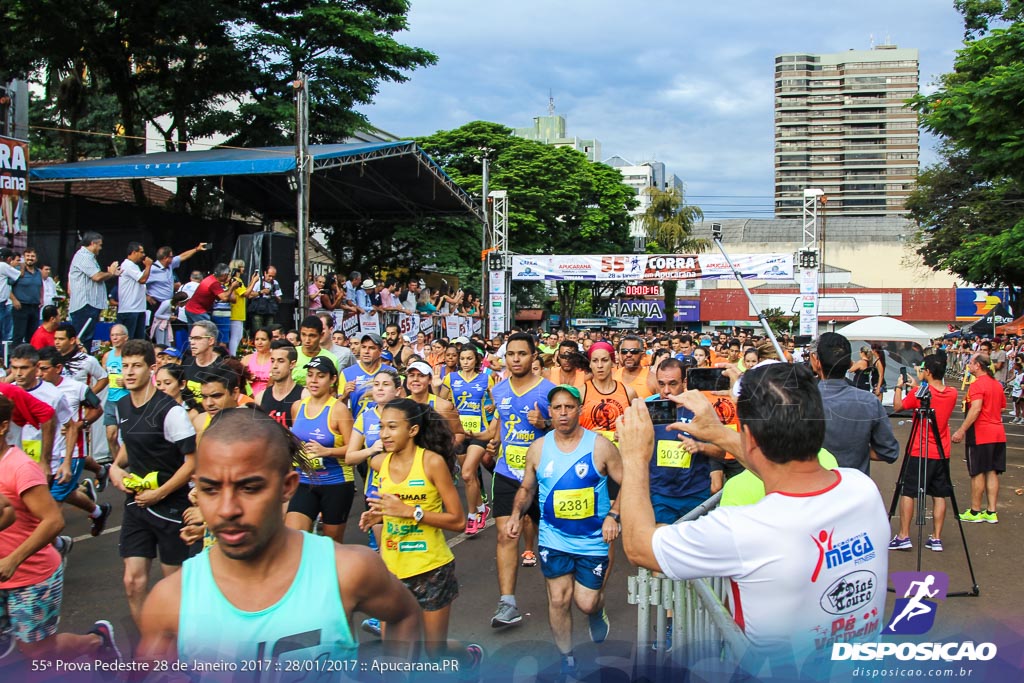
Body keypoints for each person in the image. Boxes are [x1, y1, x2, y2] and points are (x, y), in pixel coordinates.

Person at [618, 363, 890, 674]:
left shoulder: (743, 529)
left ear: (749, 436)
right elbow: (781, 468)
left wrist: (634, 457)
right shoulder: (861, 488)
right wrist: (719, 434)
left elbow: (640, 546)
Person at [137, 407, 423, 667]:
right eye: (211, 490)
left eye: (249, 488)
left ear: (288, 487)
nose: (227, 510)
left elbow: (404, 615)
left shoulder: (347, 571)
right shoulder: (171, 601)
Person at [507, 385, 622, 680]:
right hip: (553, 538)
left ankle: (598, 609)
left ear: (579, 409)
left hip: (592, 539)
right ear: (550, 411)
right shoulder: (539, 448)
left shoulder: (600, 446)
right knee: (558, 599)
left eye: (569, 407)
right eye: (557, 408)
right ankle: (567, 660)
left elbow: (629, 480)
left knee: (585, 602)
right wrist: (517, 514)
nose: (562, 413)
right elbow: (527, 488)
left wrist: (614, 515)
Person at [0, 395, 121, 662]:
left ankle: (97, 640)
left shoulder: (19, 468)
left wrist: (12, 560)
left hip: (30, 577)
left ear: (2, 427)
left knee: (39, 652)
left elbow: (54, 521)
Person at [358, 398, 479, 664]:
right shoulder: (379, 464)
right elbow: (389, 505)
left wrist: (410, 511)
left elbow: (458, 520)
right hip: (392, 569)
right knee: (395, 654)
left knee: (434, 652)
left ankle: (469, 658)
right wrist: (376, 514)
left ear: (412, 430)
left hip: (431, 568)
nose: (384, 434)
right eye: (381, 427)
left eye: (392, 427)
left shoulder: (431, 463)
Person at [107, 340, 197, 626]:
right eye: (125, 366)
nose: (130, 372)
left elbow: (192, 463)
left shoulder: (170, 411)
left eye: (137, 366)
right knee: (133, 581)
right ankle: (149, 648)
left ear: (152, 368)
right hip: (136, 507)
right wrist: (115, 471)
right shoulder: (121, 405)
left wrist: (160, 493)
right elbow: (124, 455)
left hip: (171, 508)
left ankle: (183, 651)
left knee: (175, 587)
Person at [473, 332, 554, 628]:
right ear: (504, 358)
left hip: (544, 477)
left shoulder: (549, 391)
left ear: (534, 357)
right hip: (508, 474)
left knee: (551, 540)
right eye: (511, 354)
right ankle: (507, 603)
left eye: (522, 354)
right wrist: (491, 445)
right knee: (507, 534)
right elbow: (499, 428)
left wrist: (544, 424)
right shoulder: (499, 391)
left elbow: (568, 430)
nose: (516, 359)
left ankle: (559, 596)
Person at [37, 346, 112, 537]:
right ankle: (98, 511)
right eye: (38, 368)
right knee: (65, 493)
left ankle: (56, 548)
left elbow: (97, 409)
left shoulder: (77, 388)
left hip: (72, 453)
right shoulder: (36, 388)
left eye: (44, 369)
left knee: (51, 505)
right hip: (46, 452)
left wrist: (81, 424)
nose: (40, 373)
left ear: (58, 368)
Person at [889, 355, 956, 551]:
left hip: (920, 449)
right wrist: (918, 384)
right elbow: (935, 394)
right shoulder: (951, 393)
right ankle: (936, 538)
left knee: (909, 492)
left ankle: (904, 535)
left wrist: (900, 387)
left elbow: (898, 406)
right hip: (942, 451)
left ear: (928, 371)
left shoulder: (920, 392)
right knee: (939, 494)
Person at [287, 356, 355, 544]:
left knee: (332, 542)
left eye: (320, 376)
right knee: (294, 536)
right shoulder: (297, 407)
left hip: (336, 482)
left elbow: (354, 450)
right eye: (310, 376)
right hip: (304, 480)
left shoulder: (339, 410)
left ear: (332, 379)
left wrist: (327, 451)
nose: (314, 381)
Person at [808, 332, 899, 474]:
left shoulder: (802, 400)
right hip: (857, 488)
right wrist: (859, 450)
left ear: (816, 360)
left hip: (813, 489)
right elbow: (889, 451)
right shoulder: (869, 402)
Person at [439, 344, 495, 535]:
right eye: (462, 359)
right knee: (469, 476)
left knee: (467, 473)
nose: (465, 362)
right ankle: (481, 508)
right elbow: (442, 403)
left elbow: (495, 400)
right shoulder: (451, 378)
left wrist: (492, 407)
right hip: (459, 433)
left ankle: (471, 516)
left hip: (479, 432)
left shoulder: (486, 379)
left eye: (469, 359)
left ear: (476, 360)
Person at [952, 353, 1006, 523]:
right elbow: (1002, 407)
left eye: (971, 363)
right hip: (998, 433)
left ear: (978, 366)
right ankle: (991, 511)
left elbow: (975, 409)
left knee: (977, 472)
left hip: (982, 433)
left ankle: (975, 511)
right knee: (992, 472)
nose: (969, 365)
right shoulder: (996, 384)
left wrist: (961, 430)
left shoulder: (977, 385)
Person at [67, 232, 121, 350]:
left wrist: (112, 274)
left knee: (88, 339)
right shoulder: (83, 256)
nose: (101, 248)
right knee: (82, 339)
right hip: (85, 306)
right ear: (93, 243)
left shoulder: (89, 257)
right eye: (99, 245)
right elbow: (96, 277)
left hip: (90, 306)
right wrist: (111, 273)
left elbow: (99, 276)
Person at [579, 341, 637, 444]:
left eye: (604, 360)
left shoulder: (628, 392)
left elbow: (639, 426)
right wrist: (587, 435)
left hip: (621, 454)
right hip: (592, 453)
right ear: (590, 364)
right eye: (595, 361)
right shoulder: (581, 393)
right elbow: (570, 429)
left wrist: (628, 433)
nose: (600, 365)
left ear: (613, 363)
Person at [341, 333, 395, 418]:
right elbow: (340, 408)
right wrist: (344, 396)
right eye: (363, 347)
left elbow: (400, 402)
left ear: (380, 351)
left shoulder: (391, 372)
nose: (366, 351)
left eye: (372, 348)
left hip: (385, 425)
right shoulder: (347, 373)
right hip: (358, 427)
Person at [255, 341, 305, 428]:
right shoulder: (260, 397)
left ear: (292, 364)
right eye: (272, 361)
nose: (274, 366)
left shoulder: (304, 396)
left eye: (280, 361)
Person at [145, 243, 207, 311]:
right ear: (165, 258)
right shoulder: (152, 269)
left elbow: (182, 256)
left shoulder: (169, 265)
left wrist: (196, 249)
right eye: (171, 257)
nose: (173, 258)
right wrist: (146, 296)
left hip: (169, 303)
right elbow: (139, 281)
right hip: (157, 304)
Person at [101, 324, 130, 459]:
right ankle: (117, 465)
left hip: (127, 400)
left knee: (128, 438)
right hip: (111, 399)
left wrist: (126, 383)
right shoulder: (107, 356)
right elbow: (104, 377)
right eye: (112, 335)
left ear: (126, 338)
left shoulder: (130, 356)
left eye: (118, 335)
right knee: (110, 436)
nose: (115, 338)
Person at [116, 242, 154, 339]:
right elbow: (142, 280)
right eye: (141, 252)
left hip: (139, 308)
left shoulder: (134, 266)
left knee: (139, 341)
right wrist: (148, 266)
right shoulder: (127, 265)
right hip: (130, 309)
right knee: (129, 341)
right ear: (133, 252)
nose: (143, 255)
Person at [181, 321, 222, 397]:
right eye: (191, 338)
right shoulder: (187, 363)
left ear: (211, 341)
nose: (192, 342)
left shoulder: (223, 367)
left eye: (197, 338)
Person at [11, 247, 43, 344]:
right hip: (21, 307)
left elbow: (40, 286)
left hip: (34, 307)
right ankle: (16, 358)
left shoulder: (38, 272)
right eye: (27, 256)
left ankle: (30, 358)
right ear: (24, 257)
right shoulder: (18, 270)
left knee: (33, 336)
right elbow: (7, 287)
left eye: (32, 256)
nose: (30, 258)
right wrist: (14, 300)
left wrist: (41, 299)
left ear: (36, 259)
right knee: (18, 335)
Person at [227, 259, 258, 356]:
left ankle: (234, 354)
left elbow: (246, 291)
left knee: (238, 336)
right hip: (236, 312)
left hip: (238, 312)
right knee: (235, 337)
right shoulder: (236, 280)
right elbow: (246, 294)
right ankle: (233, 356)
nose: (243, 269)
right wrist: (254, 281)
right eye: (242, 267)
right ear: (237, 268)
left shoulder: (238, 281)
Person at [248, 264, 282, 332]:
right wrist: (261, 292)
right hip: (258, 311)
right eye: (269, 276)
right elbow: (249, 295)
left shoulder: (275, 283)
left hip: (269, 311)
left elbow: (280, 299)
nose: (271, 278)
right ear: (265, 273)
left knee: (270, 331)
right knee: (258, 331)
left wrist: (273, 295)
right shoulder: (258, 281)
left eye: (273, 276)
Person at [241, 327, 272, 395]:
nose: (259, 342)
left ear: (270, 341)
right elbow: (239, 380)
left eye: (263, 339)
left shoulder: (275, 359)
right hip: (248, 398)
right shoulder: (246, 359)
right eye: (257, 339)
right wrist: (247, 378)